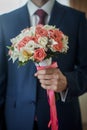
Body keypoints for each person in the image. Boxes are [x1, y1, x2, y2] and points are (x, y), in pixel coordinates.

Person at [0, 0, 87, 130]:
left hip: (64, 118)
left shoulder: (76, 18)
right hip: (16, 118)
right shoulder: (5, 21)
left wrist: (67, 82)